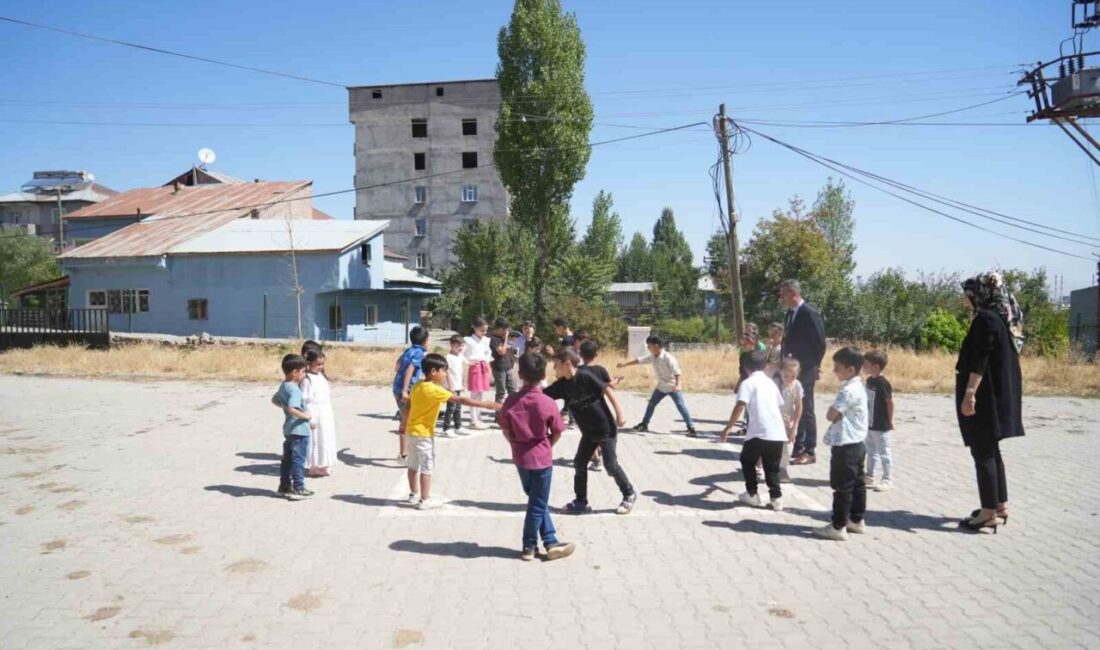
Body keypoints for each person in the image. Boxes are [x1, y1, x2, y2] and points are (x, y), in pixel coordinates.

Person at [956, 272, 1024, 533]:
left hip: (985, 399)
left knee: (982, 451)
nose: (968, 299)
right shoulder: (1001, 319)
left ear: (981, 293)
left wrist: (970, 393)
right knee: (992, 451)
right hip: (997, 398)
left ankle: (987, 513)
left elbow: (980, 359)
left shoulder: (985, 319)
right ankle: (999, 505)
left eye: (969, 294)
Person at [500, 352, 576, 561]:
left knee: (536, 501)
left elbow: (506, 429)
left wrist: (515, 444)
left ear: (520, 374)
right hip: (541, 459)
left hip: (520, 458)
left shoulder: (511, 401)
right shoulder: (547, 402)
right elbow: (558, 430)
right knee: (537, 504)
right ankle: (528, 546)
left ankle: (551, 541)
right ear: (543, 374)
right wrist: (547, 445)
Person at [403, 353, 501, 510]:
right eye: (444, 371)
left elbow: (408, 405)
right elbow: (460, 400)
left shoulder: (417, 385)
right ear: (434, 371)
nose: (445, 374)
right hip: (424, 435)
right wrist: (484, 404)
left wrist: (403, 425)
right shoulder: (435, 390)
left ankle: (413, 494)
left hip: (411, 432)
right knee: (427, 467)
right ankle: (425, 499)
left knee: (413, 465)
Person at [546, 347, 637, 515]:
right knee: (579, 463)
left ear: (567, 364)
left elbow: (607, 390)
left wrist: (619, 414)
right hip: (588, 432)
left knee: (610, 465)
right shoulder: (561, 386)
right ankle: (581, 501)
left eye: (556, 364)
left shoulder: (585, 375)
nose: (554, 368)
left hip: (606, 429)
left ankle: (629, 493)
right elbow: (542, 396)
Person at [718, 350, 788, 511]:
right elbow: (778, 404)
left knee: (747, 460)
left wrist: (728, 428)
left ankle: (752, 494)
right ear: (765, 366)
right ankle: (776, 498)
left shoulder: (748, 383)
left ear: (746, 367)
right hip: (777, 433)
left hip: (759, 432)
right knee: (772, 467)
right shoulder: (770, 383)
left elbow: (740, 405)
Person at [814, 347, 869, 541]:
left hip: (846, 444)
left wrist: (833, 411)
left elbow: (831, 414)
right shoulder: (858, 386)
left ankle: (838, 526)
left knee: (842, 486)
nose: (834, 371)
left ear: (851, 369)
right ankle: (856, 519)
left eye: (837, 368)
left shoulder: (848, 390)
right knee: (857, 483)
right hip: (858, 442)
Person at [778, 279, 827, 465]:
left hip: (805, 370)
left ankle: (809, 450)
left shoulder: (809, 313)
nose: (781, 298)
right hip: (790, 369)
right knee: (792, 406)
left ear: (793, 293)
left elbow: (820, 343)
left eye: (783, 294)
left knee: (806, 410)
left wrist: (814, 365)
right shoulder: (791, 313)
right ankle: (798, 447)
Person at [618, 335, 697, 437]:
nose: (648, 348)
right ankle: (644, 424)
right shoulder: (653, 357)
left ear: (656, 346)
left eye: (649, 346)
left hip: (672, 386)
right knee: (651, 404)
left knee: (681, 406)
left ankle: (691, 428)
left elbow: (677, 372)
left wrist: (677, 385)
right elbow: (639, 360)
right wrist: (625, 364)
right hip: (661, 387)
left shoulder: (668, 358)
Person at [578, 340, 624, 473]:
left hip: (584, 410)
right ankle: (600, 457)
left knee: (589, 435)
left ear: (581, 354)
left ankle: (596, 460)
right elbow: (610, 386)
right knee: (600, 434)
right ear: (596, 354)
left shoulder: (579, 371)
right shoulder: (601, 370)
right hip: (600, 409)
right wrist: (618, 380)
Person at [273, 354, 313, 501]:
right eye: (303, 372)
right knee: (298, 460)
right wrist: (306, 416)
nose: (304, 375)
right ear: (295, 372)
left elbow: (275, 400)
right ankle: (298, 488)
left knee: (287, 460)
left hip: (289, 429)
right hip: (299, 430)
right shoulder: (295, 390)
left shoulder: (284, 386)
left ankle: (284, 486)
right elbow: (292, 408)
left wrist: (284, 407)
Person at [392, 326, 430, 461]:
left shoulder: (408, 350)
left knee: (407, 421)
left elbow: (397, 366)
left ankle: (406, 452)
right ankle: (404, 455)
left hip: (397, 388)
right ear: (425, 340)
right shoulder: (419, 353)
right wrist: (405, 390)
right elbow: (410, 369)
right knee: (407, 422)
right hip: (406, 391)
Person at [863, 350, 895, 491]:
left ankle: (887, 479)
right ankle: (869, 475)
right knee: (870, 451)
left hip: (881, 425)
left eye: (866, 365)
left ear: (876, 366)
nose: (864, 367)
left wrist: (890, 420)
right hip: (869, 424)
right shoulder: (870, 380)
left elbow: (889, 403)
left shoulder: (883, 383)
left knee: (884, 452)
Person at [303, 349, 336, 477]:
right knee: (316, 439)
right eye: (317, 364)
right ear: (309, 363)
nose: (320, 367)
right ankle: (314, 465)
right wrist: (311, 418)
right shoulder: (307, 379)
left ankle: (324, 463)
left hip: (325, 411)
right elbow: (306, 400)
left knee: (326, 437)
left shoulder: (320, 376)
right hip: (315, 412)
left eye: (322, 364)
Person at [464, 318, 493, 430]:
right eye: (482, 330)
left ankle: (478, 417)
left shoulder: (486, 340)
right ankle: (473, 419)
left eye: (485, 330)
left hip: (483, 366)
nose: (484, 333)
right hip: (475, 366)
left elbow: (488, 352)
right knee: (474, 394)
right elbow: (462, 353)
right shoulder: (468, 340)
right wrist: (468, 362)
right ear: (475, 328)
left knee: (480, 393)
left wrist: (486, 361)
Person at [777, 358, 803, 484]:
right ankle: (762, 465)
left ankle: (783, 469)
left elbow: (799, 405)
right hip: (774, 419)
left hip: (789, 420)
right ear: (780, 371)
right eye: (786, 375)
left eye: (793, 376)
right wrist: (776, 416)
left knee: (787, 444)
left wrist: (795, 424)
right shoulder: (775, 384)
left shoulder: (797, 385)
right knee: (770, 444)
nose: (789, 378)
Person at [442, 335, 470, 437]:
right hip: (451, 387)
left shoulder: (459, 355)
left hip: (458, 386)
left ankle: (458, 427)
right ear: (452, 345)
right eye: (459, 346)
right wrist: (451, 386)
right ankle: (446, 429)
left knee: (458, 408)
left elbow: (461, 370)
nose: (461, 348)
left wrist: (463, 383)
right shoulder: (448, 357)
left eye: (462, 346)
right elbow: (447, 373)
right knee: (451, 408)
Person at [490, 317, 518, 404]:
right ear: (499, 328)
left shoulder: (502, 338)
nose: (505, 332)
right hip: (499, 369)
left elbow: (509, 351)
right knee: (501, 393)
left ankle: (512, 412)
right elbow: (501, 351)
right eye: (504, 330)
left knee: (512, 391)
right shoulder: (493, 339)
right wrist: (506, 338)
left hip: (508, 367)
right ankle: (498, 416)